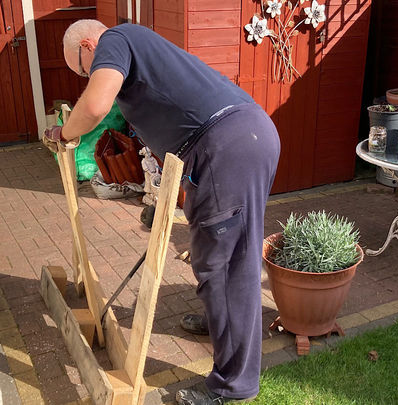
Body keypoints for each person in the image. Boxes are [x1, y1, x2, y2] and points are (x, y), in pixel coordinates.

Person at [44, 19, 280, 404]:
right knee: (221, 253)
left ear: (88, 45)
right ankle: (223, 326)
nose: (90, 74)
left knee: (224, 267)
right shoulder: (139, 45)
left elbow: (95, 105)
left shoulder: (115, 39)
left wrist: (63, 134)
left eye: (84, 69)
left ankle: (232, 387)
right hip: (241, 138)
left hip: (227, 145)